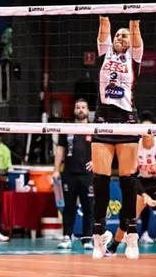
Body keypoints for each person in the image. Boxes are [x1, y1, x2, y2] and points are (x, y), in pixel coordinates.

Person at [86, 0, 153, 260]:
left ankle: (132, 235)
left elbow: (135, 26)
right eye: (118, 36)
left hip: (126, 121)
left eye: (125, 36)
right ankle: (98, 235)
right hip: (102, 120)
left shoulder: (134, 59)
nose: (121, 38)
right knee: (100, 181)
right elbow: (103, 21)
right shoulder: (104, 53)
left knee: (128, 181)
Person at [53, 99, 94, 249]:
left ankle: (87, 239)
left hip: (87, 175)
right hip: (69, 173)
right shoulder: (67, 128)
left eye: (83, 107)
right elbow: (60, 149)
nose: (80, 110)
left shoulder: (93, 128)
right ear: (74, 110)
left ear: (88, 110)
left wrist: (96, 161)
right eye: (78, 107)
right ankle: (67, 237)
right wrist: (56, 170)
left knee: (88, 207)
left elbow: (101, 147)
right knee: (68, 207)